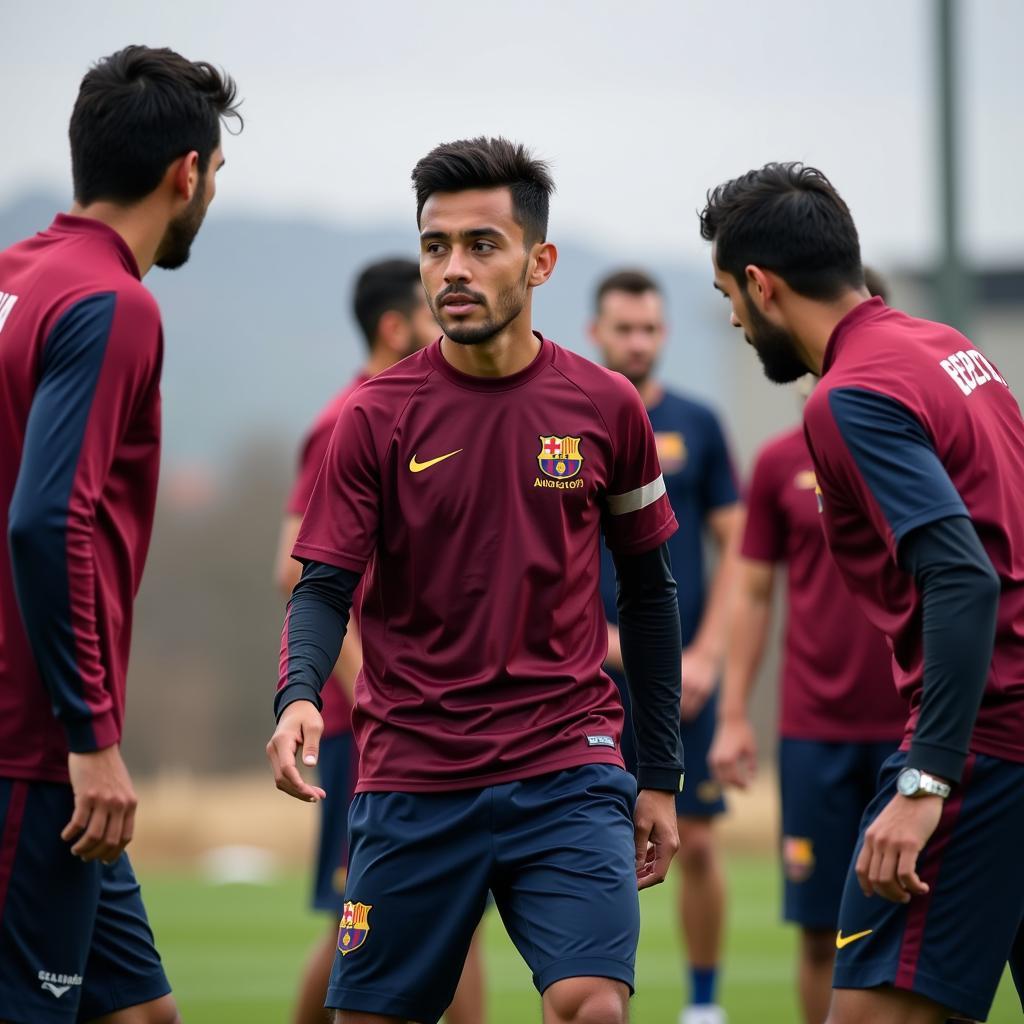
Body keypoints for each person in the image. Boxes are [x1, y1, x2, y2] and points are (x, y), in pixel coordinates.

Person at [267, 136, 685, 1024]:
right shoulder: (373, 417)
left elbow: (650, 594)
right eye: (435, 246)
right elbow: (322, 585)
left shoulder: (608, 406)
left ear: (540, 262)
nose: (452, 269)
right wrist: (299, 693)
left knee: (592, 1006)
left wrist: (660, 774)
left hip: (567, 764)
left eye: (481, 246)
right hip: (414, 772)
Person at [699, 161, 1024, 1024]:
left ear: (762, 286)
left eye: (729, 293)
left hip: (988, 746)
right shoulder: (951, 348)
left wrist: (925, 783)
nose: (732, 316)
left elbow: (962, 576)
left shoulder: (848, 399)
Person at [0, 46, 239, 1024]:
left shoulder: (17, 274)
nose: (210, 194)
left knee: (142, 1014)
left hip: (38, 737)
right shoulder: (115, 304)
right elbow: (45, 517)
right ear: (187, 173)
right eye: (215, 175)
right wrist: (91, 737)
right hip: (36, 743)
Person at [274, 258, 486, 1024]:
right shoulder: (347, 419)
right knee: (354, 928)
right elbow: (295, 569)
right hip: (371, 725)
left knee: (461, 925)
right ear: (397, 326)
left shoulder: (431, 414)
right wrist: (371, 693)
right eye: (432, 318)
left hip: (437, 721)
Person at [709, 317, 907, 1023]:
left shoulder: (909, 451)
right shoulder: (775, 463)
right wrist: (733, 716)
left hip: (913, 732)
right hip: (813, 735)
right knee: (824, 934)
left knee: (928, 935)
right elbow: (754, 592)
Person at [590, 269, 741, 1024]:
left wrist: (706, 655)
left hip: (685, 682)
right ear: (596, 332)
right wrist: (609, 645)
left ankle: (704, 1006)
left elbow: (741, 554)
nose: (637, 342)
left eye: (650, 329)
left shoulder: (701, 425)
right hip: (591, 676)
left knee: (701, 845)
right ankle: (603, 993)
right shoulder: (573, 420)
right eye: (624, 329)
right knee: (594, 851)